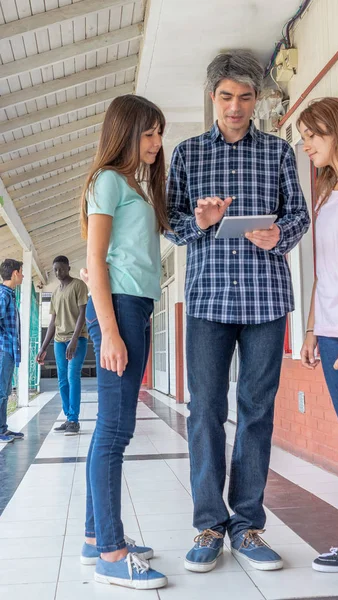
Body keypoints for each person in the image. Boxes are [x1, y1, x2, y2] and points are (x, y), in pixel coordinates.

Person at [166, 49, 310, 573]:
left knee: (256, 412)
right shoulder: (185, 154)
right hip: (206, 301)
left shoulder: (276, 153)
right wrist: (199, 224)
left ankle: (247, 525)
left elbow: (299, 215)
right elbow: (171, 223)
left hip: (266, 300)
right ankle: (209, 524)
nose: (235, 106)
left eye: (245, 97)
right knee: (204, 411)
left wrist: (279, 236)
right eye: (226, 96)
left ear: (256, 101)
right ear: (213, 98)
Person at [79, 94, 169, 589]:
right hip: (119, 308)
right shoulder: (108, 181)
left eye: (159, 133)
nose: (156, 143)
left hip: (134, 306)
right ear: (125, 132)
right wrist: (110, 331)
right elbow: (96, 262)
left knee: (109, 430)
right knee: (115, 432)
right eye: (148, 133)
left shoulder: (133, 185)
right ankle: (112, 554)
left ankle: (96, 537)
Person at [298, 97, 338, 573]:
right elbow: (323, 272)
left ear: (337, 131)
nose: (306, 143)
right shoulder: (328, 194)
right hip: (332, 332)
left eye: (314, 134)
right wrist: (313, 328)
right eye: (303, 136)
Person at [36, 256, 88, 435]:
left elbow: (83, 313)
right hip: (59, 341)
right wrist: (43, 348)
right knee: (62, 380)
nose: (58, 272)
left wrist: (74, 340)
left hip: (77, 339)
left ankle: (74, 419)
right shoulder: (55, 292)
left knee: (73, 376)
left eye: (61, 268)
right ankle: (68, 417)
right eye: (55, 270)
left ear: (68, 267)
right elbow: (52, 322)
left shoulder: (79, 285)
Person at [0, 259, 24, 443]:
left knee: (5, 392)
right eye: (21, 272)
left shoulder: (9, 294)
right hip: (3, 351)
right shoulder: (3, 295)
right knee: (1, 392)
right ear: (15, 273)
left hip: (8, 351)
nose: (23, 276)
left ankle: (3, 429)